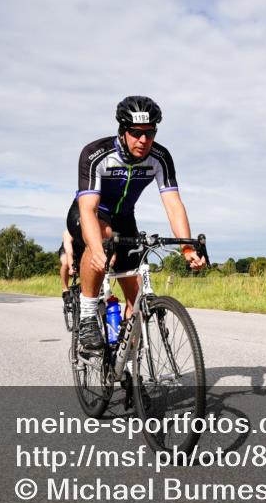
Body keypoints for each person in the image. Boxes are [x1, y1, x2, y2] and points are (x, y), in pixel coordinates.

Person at [67, 96, 206, 352]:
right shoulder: (95, 154)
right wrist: (96, 248)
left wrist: (187, 248)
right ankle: (88, 316)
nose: (144, 140)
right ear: (122, 131)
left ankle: (127, 363)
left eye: (150, 133)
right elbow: (88, 209)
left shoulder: (160, 157)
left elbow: (173, 204)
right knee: (102, 235)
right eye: (136, 133)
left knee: (137, 297)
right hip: (90, 214)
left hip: (125, 218)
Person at [58, 229, 75, 307]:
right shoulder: (68, 232)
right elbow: (69, 252)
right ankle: (65, 289)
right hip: (66, 250)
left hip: (80, 251)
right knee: (65, 263)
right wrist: (71, 267)